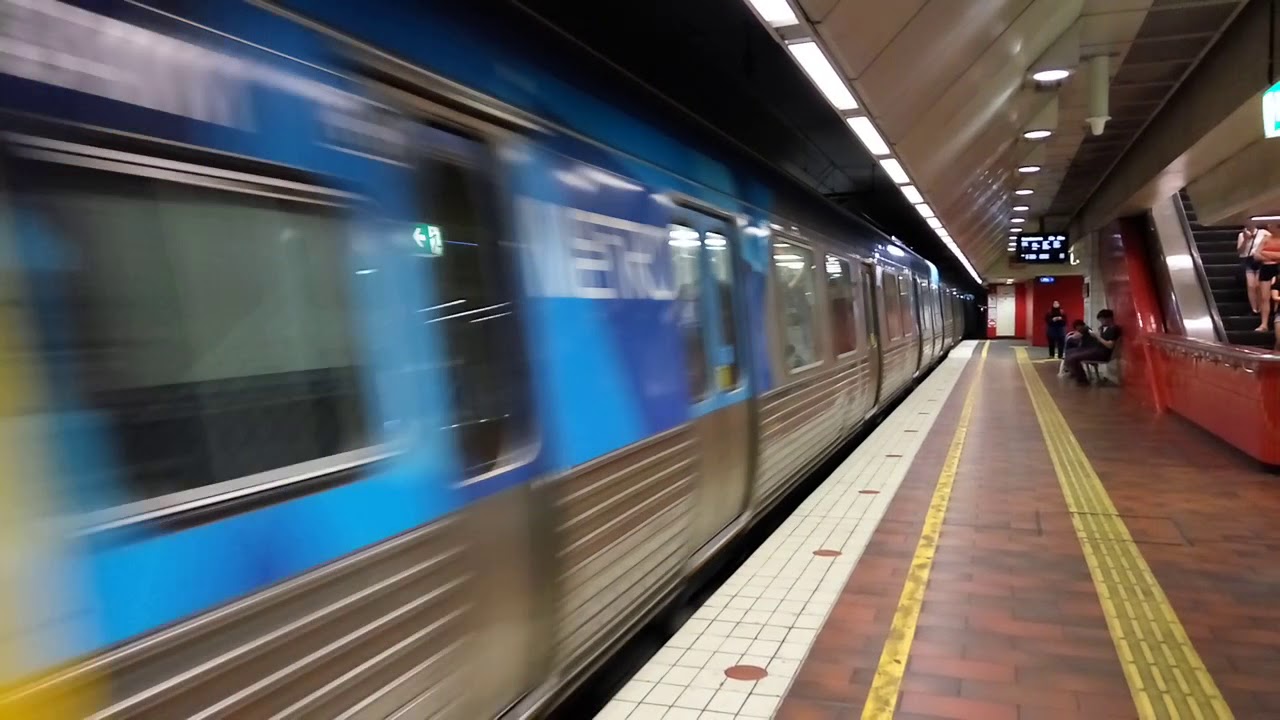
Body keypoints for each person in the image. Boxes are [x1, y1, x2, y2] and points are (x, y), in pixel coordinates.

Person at [1063, 309, 1121, 386]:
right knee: (1069, 352)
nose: (1101, 322)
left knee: (1073, 358)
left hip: (1102, 353)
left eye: (1102, 320)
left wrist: (1097, 336)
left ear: (1108, 319)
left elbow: (1109, 345)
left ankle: (1082, 380)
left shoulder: (1113, 329)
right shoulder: (1105, 328)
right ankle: (1076, 374)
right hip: (1097, 349)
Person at [1254, 222, 1280, 331]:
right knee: (1265, 297)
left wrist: (1266, 254)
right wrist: (1273, 257)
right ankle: (1264, 324)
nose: (1269, 227)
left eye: (1272, 225)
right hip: (1266, 268)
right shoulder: (1266, 239)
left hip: (1278, 268)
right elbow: (1256, 255)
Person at [1238, 222, 1268, 314]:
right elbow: (1240, 251)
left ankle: (1260, 306)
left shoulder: (1263, 232)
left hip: (1259, 258)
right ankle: (1254, 308)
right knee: (1251, 285)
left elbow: (1272, 238)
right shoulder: (1241, 235)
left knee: (1258, 285)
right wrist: (1246, 239)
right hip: (1248, 259)